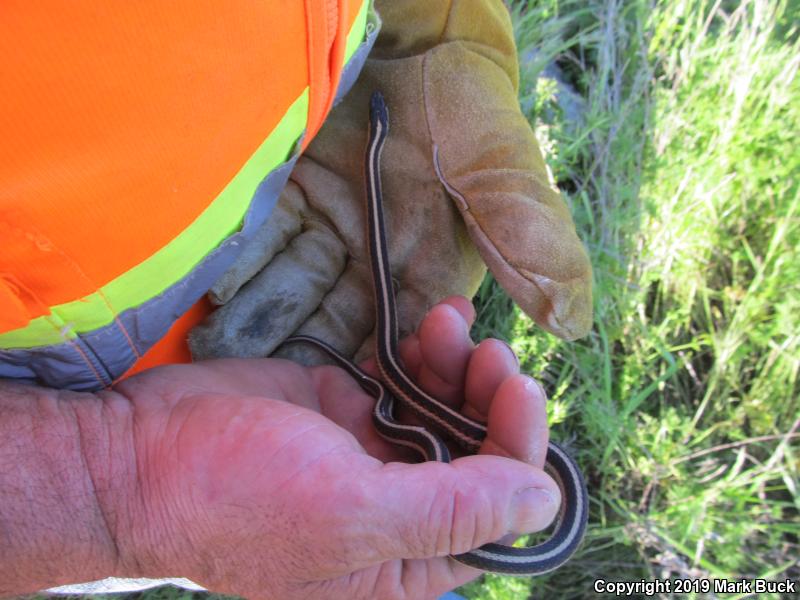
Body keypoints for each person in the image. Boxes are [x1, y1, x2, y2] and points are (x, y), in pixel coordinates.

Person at [0, 1, 592, 598]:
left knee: (400, 529)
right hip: (183, 453)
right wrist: (98, 492)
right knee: (401, 530)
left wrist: (420, 17)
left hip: (250, 409)